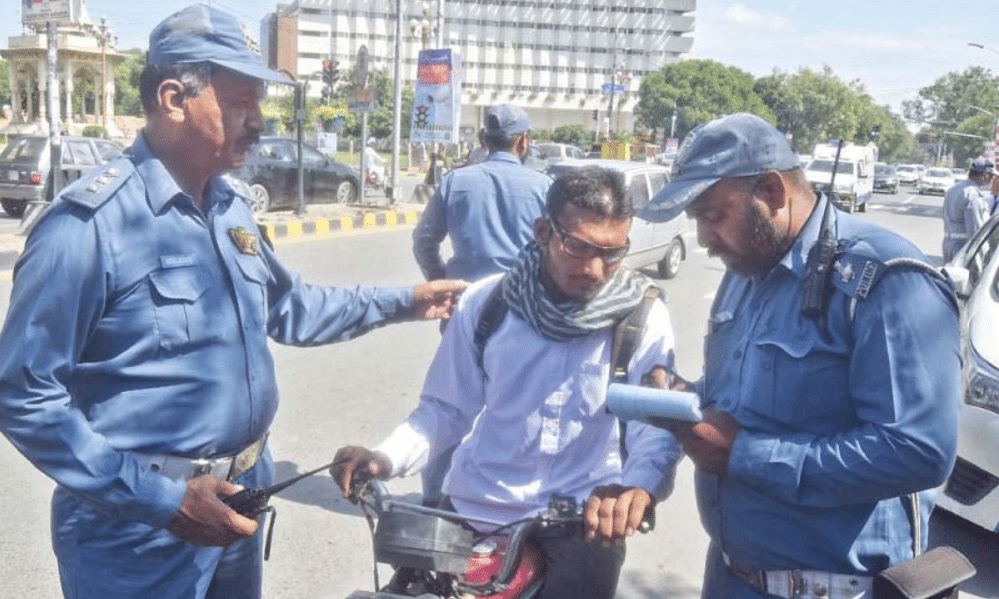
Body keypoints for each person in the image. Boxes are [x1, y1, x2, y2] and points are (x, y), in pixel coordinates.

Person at [0, 6, 464, 599]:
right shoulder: (89, 227)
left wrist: (407, 300)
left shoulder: (230, 207)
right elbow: (25, 395)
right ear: (173, 97)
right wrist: (162, 502)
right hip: (136, 530)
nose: (258, 123)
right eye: (241, 103)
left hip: (240, 504)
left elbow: (290, 307)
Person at [639, 113, 960, 599]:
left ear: (770, 191)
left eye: (712, 214)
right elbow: (748, 394)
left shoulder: (885, 280)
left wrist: (743, 454)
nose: (703, 239)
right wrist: (688, 400)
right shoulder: (746, 273)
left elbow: (917, 449)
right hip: (729, 576)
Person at [334, 166, 682, 599]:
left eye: (612, 253)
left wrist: (638, 486)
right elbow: (445, 409)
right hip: (475, 510)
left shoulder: (643, 318)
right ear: (543, 232)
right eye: (578, 247)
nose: (595, 269)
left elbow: (655, 425)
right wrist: (384, 457)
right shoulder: (487, 303)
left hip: (582, 520)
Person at [412, 103, 552, 282]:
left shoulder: (454, 181)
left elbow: (423, 242)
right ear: (523, 141)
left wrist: (440, 279)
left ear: (486, 139)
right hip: (523, 297)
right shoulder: (544, 186)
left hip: (464, 296)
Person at [942, 156, 994, 262]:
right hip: (963, 249)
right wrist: (987, 257)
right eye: (990, 176)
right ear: (982, 176)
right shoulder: (973, 195)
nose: (991, 179)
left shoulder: (953, 189)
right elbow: (976, 231)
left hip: (948, 244)